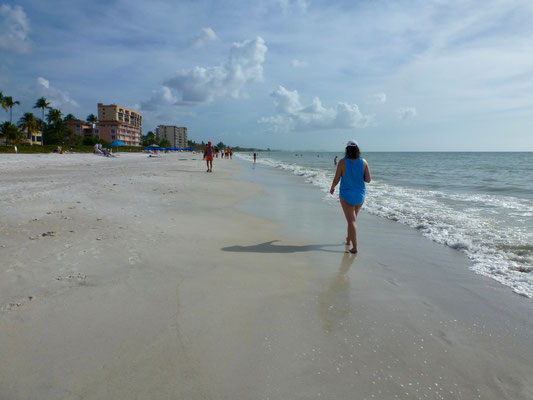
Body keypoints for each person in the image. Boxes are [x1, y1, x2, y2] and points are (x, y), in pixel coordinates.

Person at [329, 140, 371, 254]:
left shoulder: (343, 162)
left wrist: (332, 187)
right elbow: (368, 179)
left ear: (347, 150)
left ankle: (355, 247)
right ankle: (348, 239)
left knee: (351, 221)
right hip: (360, 195)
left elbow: (336, 178)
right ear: (358, 149)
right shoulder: (364, 162)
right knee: (352, 220)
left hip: (346, 195)